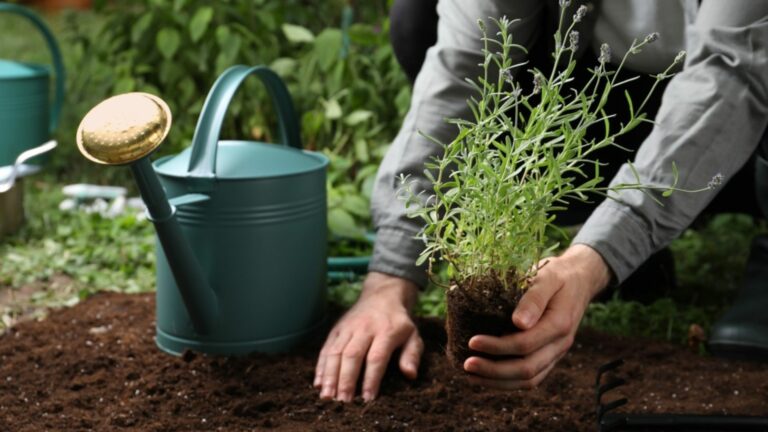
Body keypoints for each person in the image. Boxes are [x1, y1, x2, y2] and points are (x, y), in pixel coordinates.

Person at [314, 0, 768, 402]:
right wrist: (390, 279)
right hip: (598, 106)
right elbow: (467, 62)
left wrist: (592, 261)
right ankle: (626, 247)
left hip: (740, 130)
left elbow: (733, 72)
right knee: (418, 18)